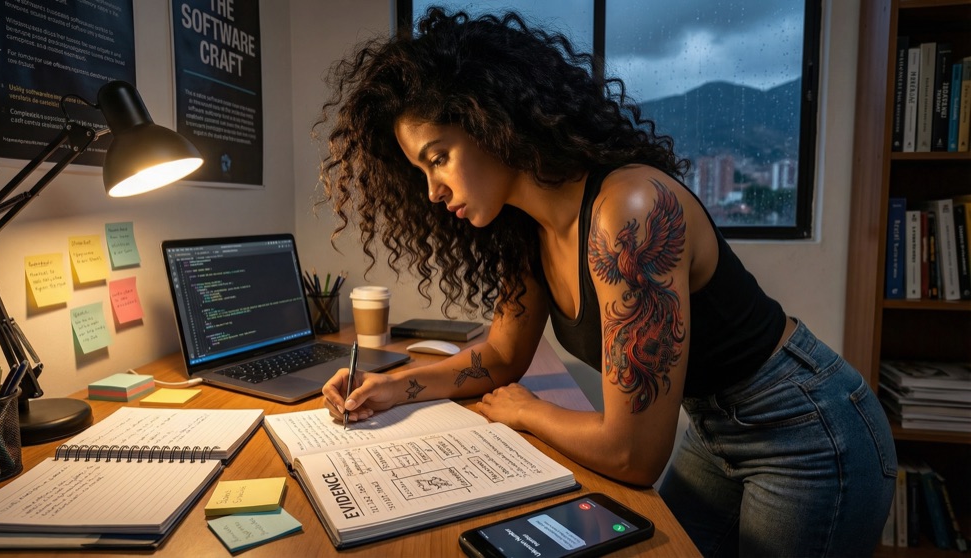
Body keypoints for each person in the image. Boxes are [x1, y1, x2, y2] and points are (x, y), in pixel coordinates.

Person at [316, 8, 897, 557]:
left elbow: (632, 453)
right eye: (421, 171)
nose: (432, 192)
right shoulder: (528, 232)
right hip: (714, 429)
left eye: (438, 158)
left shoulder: (629, 211)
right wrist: (391, 387)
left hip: (805, 429)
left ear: (491, 122)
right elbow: (500, 357)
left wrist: (528, 411)